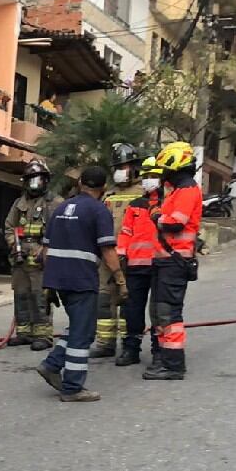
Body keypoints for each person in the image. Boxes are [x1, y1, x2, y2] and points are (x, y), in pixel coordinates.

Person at [35, 166, 126, 403]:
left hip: (58, 278)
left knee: (79, 326)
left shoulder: (61, 208)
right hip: (81, 279)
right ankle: (72, 387)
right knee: (82, 332)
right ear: (103, 188)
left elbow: (45, 250)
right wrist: (120, 279)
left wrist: (49, 282)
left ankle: (52, 365)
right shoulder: (99, 210)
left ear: (80, 184)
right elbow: (107, 249)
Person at [144, 141, 203, 381]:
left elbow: (175, 223)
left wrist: (157, 216)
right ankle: (163, 358)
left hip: (174, 261)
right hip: (165, 261)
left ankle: (173, 364)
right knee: (159, 312)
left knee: (168, 313)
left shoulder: (187, 190)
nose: (163, 174)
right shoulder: (178, 190)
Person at [88, 142, 143, 359]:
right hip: (106, 256)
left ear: (134, 167)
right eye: (117, 168)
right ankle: (105, 343)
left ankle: (128, 344)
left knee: (128, 301)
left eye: (124, 167)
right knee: (103, 300)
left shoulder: (142, 193)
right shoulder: (108, 195)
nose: (120, 171)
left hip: (131, 257)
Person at [3, 159, 57, 350]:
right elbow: (9, 227)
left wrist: (45, 250)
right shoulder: (19, 203)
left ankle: (43, 335)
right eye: (31, 179)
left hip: (41, 259)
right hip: (20, 258)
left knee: (40, 297)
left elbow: (58, 231)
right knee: (21, 296)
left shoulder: (53, 203)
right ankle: (24, 332)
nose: (34, 184)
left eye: (38, 179)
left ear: (45, 180)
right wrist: (14, 245)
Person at [115, 157, 163, 367]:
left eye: (153, 176)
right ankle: (131, 349)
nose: (148, 180)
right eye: (146, 177)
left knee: (159, 311)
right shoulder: (135, 205)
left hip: (160, 265)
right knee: (132, 310)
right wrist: (121, 255)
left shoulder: (167, 204)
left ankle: (159, 351)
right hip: (135, 266)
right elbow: (125, 232)